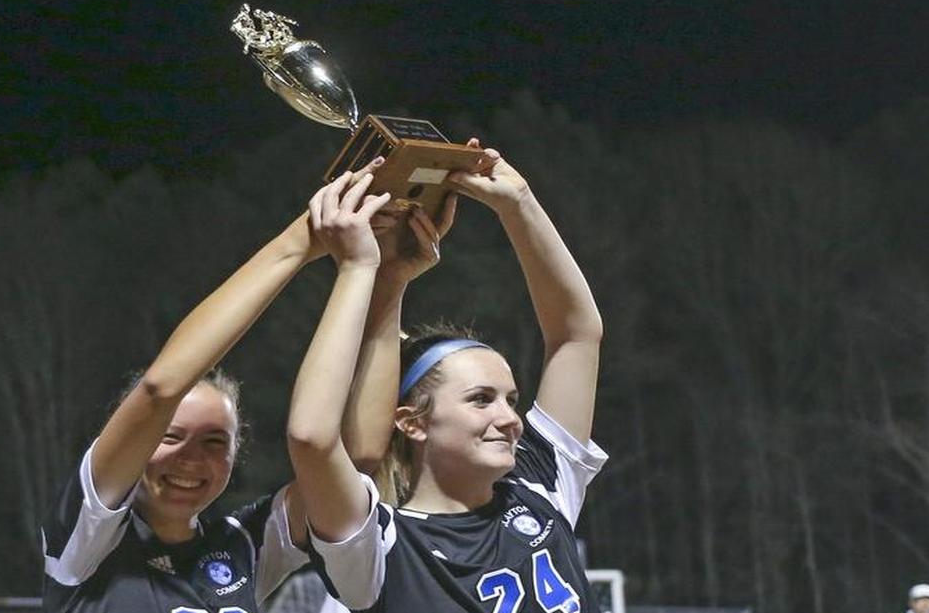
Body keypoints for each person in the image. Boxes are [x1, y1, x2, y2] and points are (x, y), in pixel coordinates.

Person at [40, 160, 444, 613]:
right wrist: (302, 239)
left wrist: (383, 277)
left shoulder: (243, 546)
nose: (192, 459)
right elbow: (160, 389)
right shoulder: (87, 538)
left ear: (237, 452)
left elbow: (355, 459)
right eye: (170, 436)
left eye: (215, 441)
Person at [285, 141, 607, 613]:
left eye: (510, 399)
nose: (510, 418)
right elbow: (312, 438)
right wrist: (382, 277)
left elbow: (577, 335)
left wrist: (519, 204)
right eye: (481, 399)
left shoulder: (540, 485)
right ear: (412, 422)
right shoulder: (378, 544)